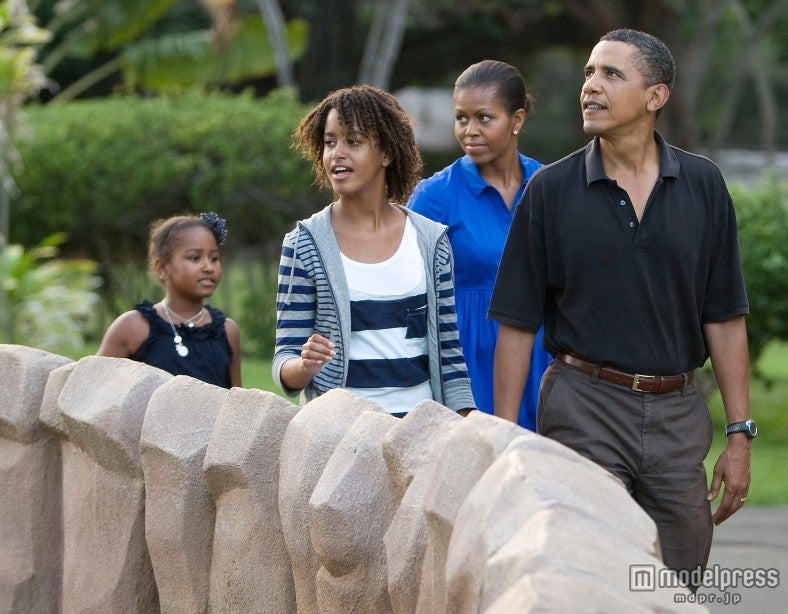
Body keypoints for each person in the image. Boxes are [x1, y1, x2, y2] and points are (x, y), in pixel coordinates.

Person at [488, 29, 752, 588]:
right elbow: (516, 321)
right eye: (588, 73)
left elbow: (725, 316)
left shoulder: (703, 184)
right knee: (590, 572)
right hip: (582, 405)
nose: (591, 87)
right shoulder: (551, 191)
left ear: (656, 97)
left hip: (679, 413)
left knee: (676, 583)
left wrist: (739, 433)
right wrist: (505, 435)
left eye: (611, 75)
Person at [273, 84, 475, 417]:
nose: (337, 153)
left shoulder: (430, 241)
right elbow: (284, 361)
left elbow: (450, 356)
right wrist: (305, 365)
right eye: (329, 142)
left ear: (387, 153)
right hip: (338, 433)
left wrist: (465, 428)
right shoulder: (304, 244)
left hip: (418, 430)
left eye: (353, 142)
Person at [408, 59, 552, 431]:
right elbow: (410, 291)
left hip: (542, 356)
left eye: (484, 118)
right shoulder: (435, 196)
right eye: (461, 118)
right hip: (467, 360)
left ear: (516, 120)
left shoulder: (549, 186)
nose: (469, 131)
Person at [98, 212, 242, 388]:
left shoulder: (227, 332)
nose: (208, 267)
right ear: (163, 268)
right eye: (194, 258)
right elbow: (96, 388)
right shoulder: (134, 327)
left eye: (214, 258)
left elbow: (236, 403)